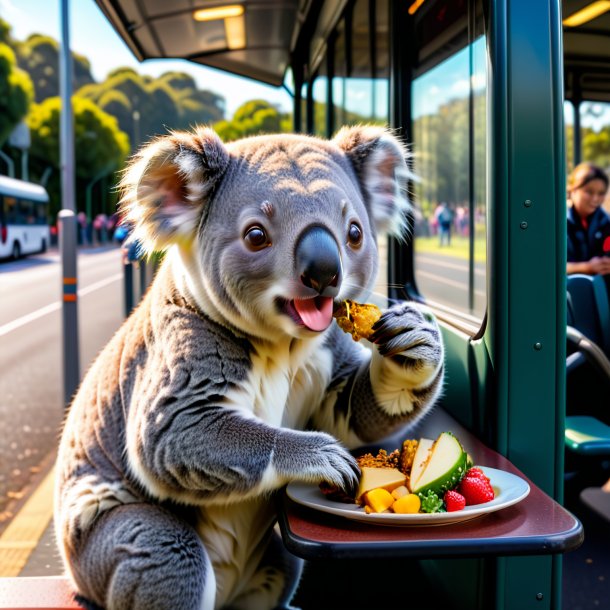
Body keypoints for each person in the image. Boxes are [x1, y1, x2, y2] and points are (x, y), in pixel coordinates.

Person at [566, 162, 610, 276]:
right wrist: (586, 267)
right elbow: (549, 265)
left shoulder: (606, 222)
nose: (595, 198)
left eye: (601, 193)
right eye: (589, 192)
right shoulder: (558, 223)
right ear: (573, 190)